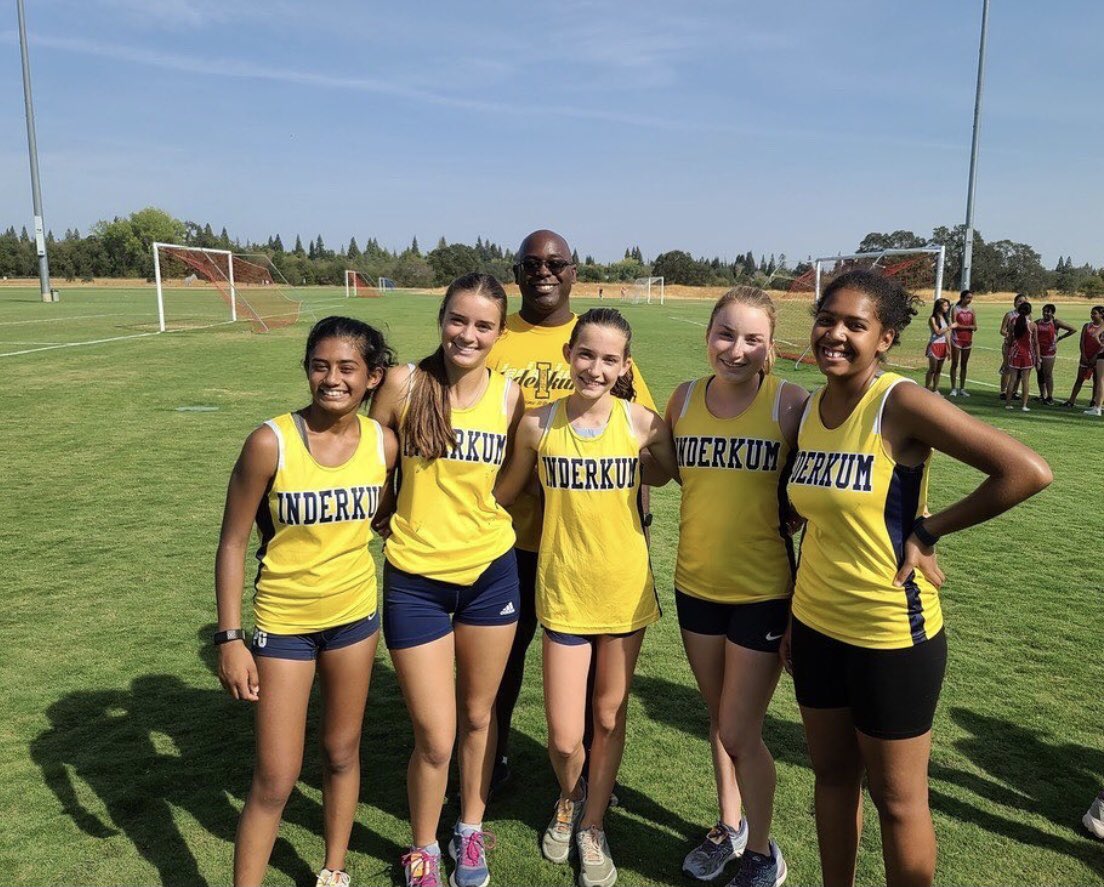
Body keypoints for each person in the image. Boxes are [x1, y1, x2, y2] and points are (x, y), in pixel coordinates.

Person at [783, 270, 1051, 887]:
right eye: (828, 319)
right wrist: (798, 617)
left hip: (891, 635)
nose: (836, 334)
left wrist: (929, 530)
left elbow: (1025, 470)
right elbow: (820, 527)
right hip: (817, 627)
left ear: (886, 337)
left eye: (856, 325)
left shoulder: (898, 402)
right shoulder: (810, 408)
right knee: (830, 778)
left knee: (897, 802)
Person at [495, 308, 677, 887]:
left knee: (607, 715)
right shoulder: (537, 426)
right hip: (562, 589)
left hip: (623, 594)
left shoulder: (644, 424)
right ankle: (569, 795)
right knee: (564, 734)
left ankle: (592, 824)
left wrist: (641, 464)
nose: (595, 368)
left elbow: (667, 474)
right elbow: (505, 493)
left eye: (609, 359)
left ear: (625, 366)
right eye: (586, 354)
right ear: (569, 354)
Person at [214, 316, 398, 887]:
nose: (332, 379)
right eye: (321, 366)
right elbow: (234, 541)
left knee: (342, 753)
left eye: (348, 368)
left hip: (355, 621)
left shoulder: (383, 443)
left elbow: (387, 518)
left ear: (373, 377)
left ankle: (334, 871)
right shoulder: (270, 442)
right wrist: (229, 638)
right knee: (276, 776)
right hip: (284, 625)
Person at [486, 230, 656, 797]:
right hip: (507, 543)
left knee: (592, 690)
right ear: (516, 270)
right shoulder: (492, 334)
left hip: (587, 552)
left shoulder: (600, 337)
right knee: (499, 670)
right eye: (532, 263)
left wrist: (639, 520)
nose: (544, 271)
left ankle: (582, 792)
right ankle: (490, 760)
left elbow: (641, 440)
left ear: (573, 270)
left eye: (555, 262)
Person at [369, 273, 524, 887]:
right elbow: (370, 459)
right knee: (435, 734)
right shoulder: (403, 384)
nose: (469, 333)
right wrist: (386, 513)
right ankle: (424, 846)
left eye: (484, 325)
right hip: (415, 580)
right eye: (459, 320)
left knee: (480, 717)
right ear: (441, 319)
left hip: (491, 575)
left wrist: (491, 513)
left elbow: (516, 471)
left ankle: (471, 830)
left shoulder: (511, 396)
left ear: (500, 333)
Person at [667, 287, 807, 886]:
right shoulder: (682, 399)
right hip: (694, 586)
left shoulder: (790, 404)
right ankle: (730, 826)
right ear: (708, 335)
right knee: (717, 715)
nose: (737, 349)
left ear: (771, 346)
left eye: (753, 339)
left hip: (763, 592)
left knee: (739, 728)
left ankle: (763, 853)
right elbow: (667, 472)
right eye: (726, 334)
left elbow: (820, 489)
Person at [1061, 305, 1104, 410]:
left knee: (1097, 381)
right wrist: (1083, 355)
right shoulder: (1087, 326)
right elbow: (1082, 341)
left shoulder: (1102, 327)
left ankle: (1094, 401)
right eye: (1091, 313)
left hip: (1097, 358)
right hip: (1085, 357)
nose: (1092, 315)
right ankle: (1071, 400)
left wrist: (1095, 357)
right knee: (1079, 379)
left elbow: (1101, 344)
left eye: (1094, 313)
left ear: (1101, 315)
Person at [1033, 304, 1075, 404]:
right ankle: (1042, 395)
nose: (1045, 313)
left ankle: (1050, 396)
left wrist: (1060, 338)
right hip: (1038, 351)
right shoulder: (1038, 322)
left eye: (1048, 311)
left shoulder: (1056, 322)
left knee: (1048, 374)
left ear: (1052, 313)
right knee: (1040, 373)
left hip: (1049, 351)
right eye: (1044, 311)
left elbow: (1073, 329)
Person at [1004, 301, 1038, 413]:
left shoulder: (1013, 322)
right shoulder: (1032, 325)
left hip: (1014, 353)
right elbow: (1036, 343)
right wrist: (1038, 358)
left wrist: (1007, 355)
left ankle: (1008, 404)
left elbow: (1009, 341)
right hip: (1027, 356)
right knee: (1025, 381)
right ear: (1030, 311)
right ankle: (1024, 405)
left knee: (1012, 379)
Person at [947, 290, 976, 398]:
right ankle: (953, 388)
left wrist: (971, 327)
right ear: (962, 298)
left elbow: (975, 326)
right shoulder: (956, 309)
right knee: (955, 363)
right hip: (957, 339)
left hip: (968, 340)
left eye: (971, 298)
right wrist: (969, 327)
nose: (969, 300)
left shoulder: (972, 310)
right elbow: (955, 325)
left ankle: (962, 388)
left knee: (964, 364)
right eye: (968, 297)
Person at [999, 294, 1028, 401]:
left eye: (1023, 301)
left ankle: (1014, 391)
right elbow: (1002, 330)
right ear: (1015, 303)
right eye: (1019, 301)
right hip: (1009, 345)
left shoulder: (1027, 316)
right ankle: (1003, 391)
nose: (1021, 303)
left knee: (1019, 369)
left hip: (1021, 347)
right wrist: (1010, 334)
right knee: (1007, 367)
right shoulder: (1009, 315)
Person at [923, 298, 954, 394]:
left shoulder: (945, 319)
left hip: (943, 346)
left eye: (948, 305)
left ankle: (935, 389)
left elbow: (947, 335)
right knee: (932, 369)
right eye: (945, 305)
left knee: (939, 370)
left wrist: (949, 349)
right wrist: (949, 327)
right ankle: (926, 388)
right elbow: (938, 332)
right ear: (939, 306)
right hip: (934, 345)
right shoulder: (932, 319)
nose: (947, 307)